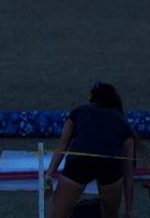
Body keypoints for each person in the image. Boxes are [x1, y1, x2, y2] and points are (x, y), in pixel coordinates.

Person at [45, 83, 135, 218]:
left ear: (92, 98)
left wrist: (49, 176)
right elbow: (128, 173)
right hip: (110, 165)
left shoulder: (78, 112)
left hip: (80, 161)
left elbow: (62, 146)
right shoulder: (123, 123)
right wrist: (129, 211)